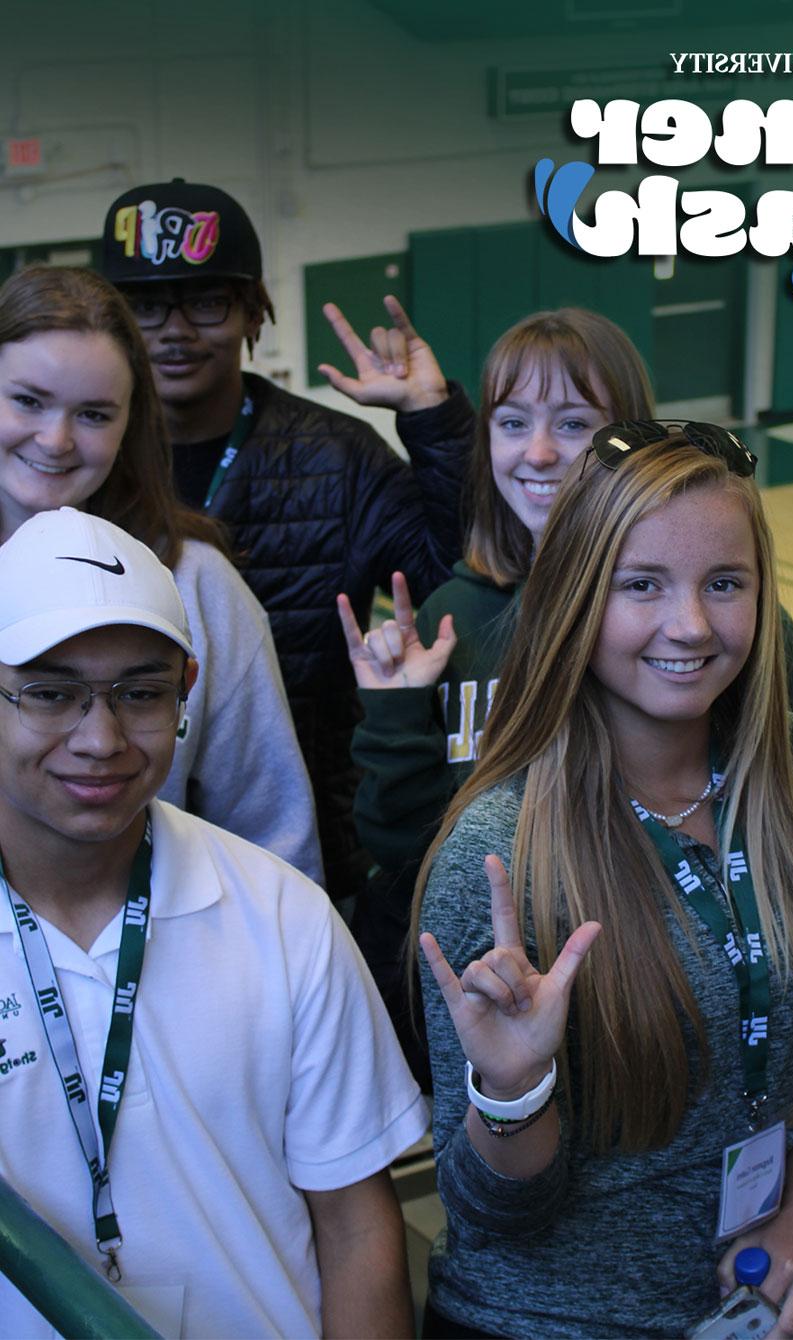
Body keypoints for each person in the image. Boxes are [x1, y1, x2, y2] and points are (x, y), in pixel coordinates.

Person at [414, 432, 793, 1338]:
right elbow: (490, 1214)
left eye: (724, 583)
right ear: (576, 597)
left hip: (762, 1307)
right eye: (641, 583)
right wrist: (514, 1091)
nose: (691, 625)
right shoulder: (497, 855)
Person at [0, 508, 427, 1338]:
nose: (102, 738)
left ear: (188, 688)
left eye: (141, 692)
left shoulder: (279, 916)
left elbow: (354, 1226)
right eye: (51, 693)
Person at [334, 308, 793, 1043]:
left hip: (687, 1002)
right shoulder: (453, 616)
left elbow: (786, 819)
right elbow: (407, 853)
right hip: (506, 1015)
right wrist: (395, 715)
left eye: (573, 423)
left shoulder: (727, 633)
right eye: (512, 421)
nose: (538, 452)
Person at [100, 178, 470, 901]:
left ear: (253, 311)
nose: (176, 330)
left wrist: (433, 422)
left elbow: (453, 578)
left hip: (314, 839)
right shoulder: (81, 463)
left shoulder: (339, 454)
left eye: (207, 301)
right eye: (145, 306)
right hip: (115, 833)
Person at [0, 265, 320, 882]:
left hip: (162, 954)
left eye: (94, 414)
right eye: (28, 401)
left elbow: (274, 835)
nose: (57, 439)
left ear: (130, 423)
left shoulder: (194, 580)